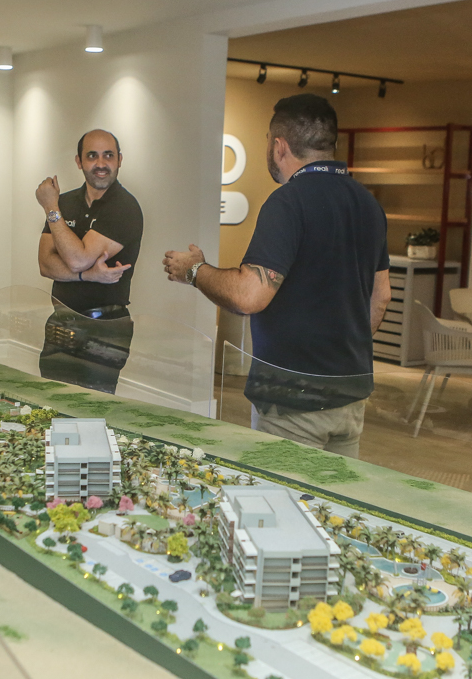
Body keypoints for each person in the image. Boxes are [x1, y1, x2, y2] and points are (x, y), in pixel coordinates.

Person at [163, 94, 389, 457]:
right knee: (333, 494)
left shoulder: (288, 202)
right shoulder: (368, 205)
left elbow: (249, 295)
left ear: (279, 146)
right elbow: (381, 296)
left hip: (292, 400)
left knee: (285, 492)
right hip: (351, 395)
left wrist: (194, 270)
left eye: (268, 140)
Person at [35, 128, 144, 394]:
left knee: (93, 406)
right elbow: (45, 264)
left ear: (119, 159)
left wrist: (50, 208)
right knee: (52, 400)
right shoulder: (65, 202)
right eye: (92, 156)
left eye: (108, 155)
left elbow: (77, 259)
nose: (101, 163)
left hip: (105, 327)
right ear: (79, 161)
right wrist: (88, 275)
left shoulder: (124, 207)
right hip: (62, 321)